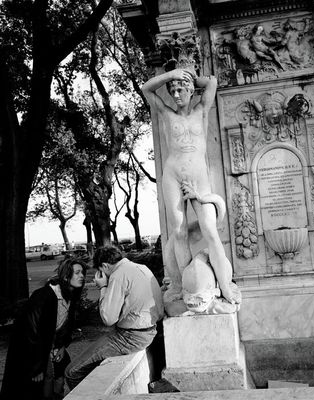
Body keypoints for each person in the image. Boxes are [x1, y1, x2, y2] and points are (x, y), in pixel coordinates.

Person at [142, 68, 241, 305]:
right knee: (179, 231)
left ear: (189, 90)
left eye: (180, 89)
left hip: (198, 175)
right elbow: (146, 88)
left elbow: (212, 83)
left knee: (210, 229)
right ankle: (186, 283)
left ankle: (225, 284)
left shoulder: (201, 110)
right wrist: (172, 74)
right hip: (173, 174)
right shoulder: (166, 114)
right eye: (172, 91)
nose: (175, 94)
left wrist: (190, 77)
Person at [65, 245, 164, 390]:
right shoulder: (141, 267)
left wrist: (103, 287)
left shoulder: (118, 275)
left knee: (72, 372)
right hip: (148, 331)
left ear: (104, 266)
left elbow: (108, 319)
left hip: (130, 338)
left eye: (100, 270)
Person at [0, 257, 87, 400]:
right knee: (38, 390)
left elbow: (65, 328)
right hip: (33, 356)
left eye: (82, 272)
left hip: (52, 351)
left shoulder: (70, 297)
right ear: (65, 276)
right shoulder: (43, 296)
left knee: (59, 381)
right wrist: (36, 367)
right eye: (77, 273)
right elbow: (30, 333)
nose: (82, 276)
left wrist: (62, 346)